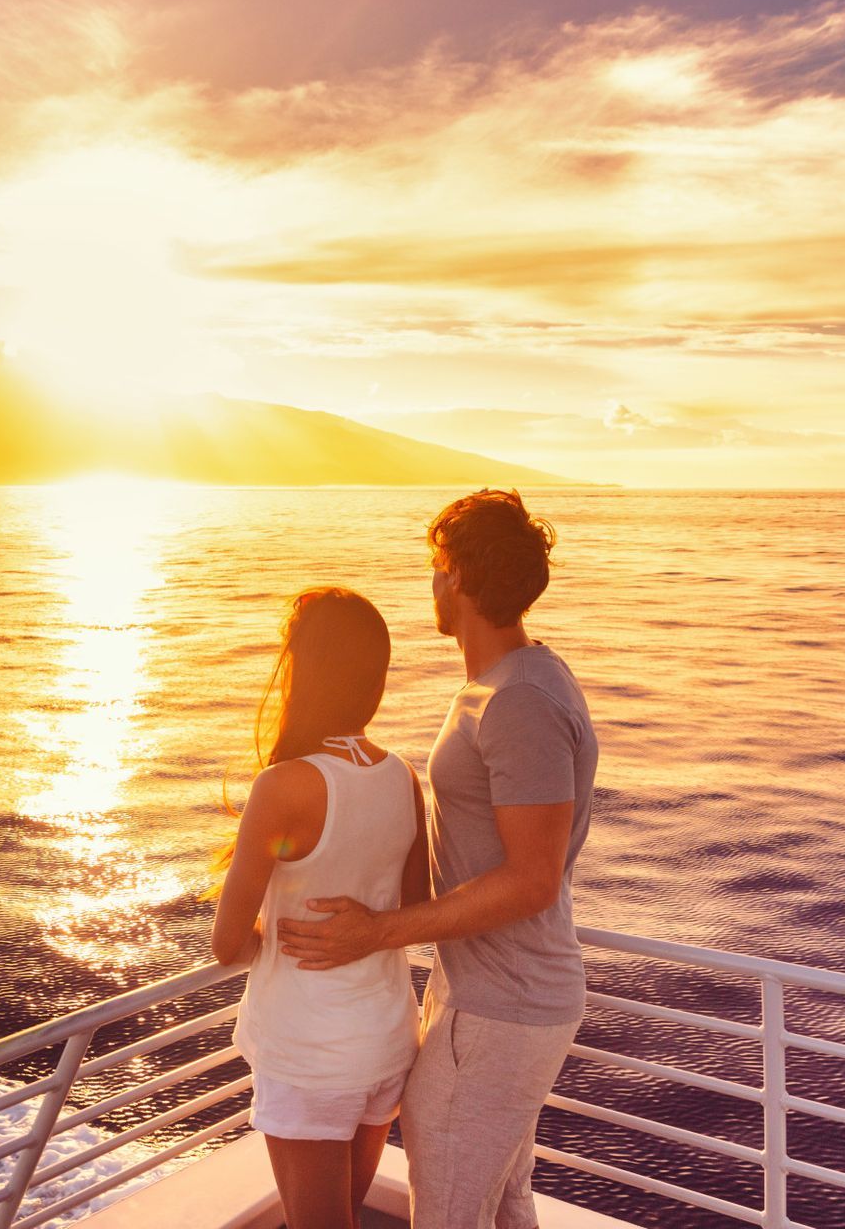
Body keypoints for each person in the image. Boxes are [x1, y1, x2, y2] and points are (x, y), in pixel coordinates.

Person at [278, 490, 598, 1229]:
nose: (431, 584)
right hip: (486, 994)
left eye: (434, 567)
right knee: (505, 1204)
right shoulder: (509, 685)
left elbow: (532, 878)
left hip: (503, 1007)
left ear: (454, 575)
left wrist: (376, 931)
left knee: (449, 1211)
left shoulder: (517, 700)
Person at [209, 587, 432, 1229]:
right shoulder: (400, 777)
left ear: (301, 671)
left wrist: (270, 936)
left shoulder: (283, 787)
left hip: (311, 1053)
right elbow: (412, 909)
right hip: (386, 1040)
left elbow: (227, 945)